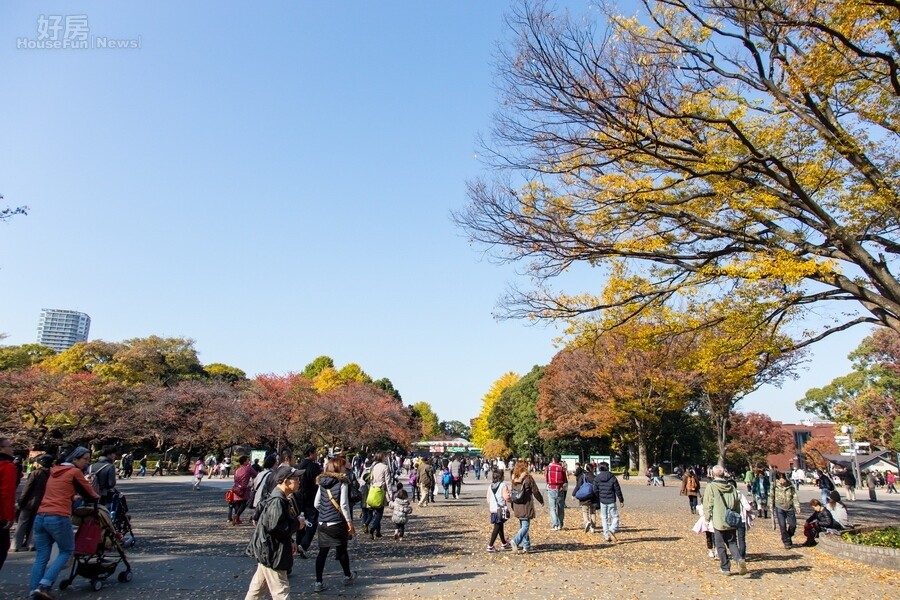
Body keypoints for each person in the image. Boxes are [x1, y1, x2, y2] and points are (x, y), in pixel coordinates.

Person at [29, 446, 101, 599]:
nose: (87, 463)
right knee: (67, 551)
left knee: (41, 556)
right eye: (85, 459)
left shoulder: (54, 471)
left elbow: (58, 492)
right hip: (58, 516)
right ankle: (44, 585)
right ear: (74, 459)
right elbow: (91, 494)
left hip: (41, 515)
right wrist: (91, 496)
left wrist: (72, 497)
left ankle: (33, 590)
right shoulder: (74, 472)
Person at [244, 465, 304, 600]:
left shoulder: (280, 498)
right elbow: (275, 527)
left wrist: (291, 539)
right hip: (272, 551)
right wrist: (297, 524)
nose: (299, 482)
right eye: (296, 479)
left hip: (267, 549)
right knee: (281, 592)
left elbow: (275, 525)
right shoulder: (278, 500)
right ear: (286, 481)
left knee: (256, 590)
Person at [312, 456, 357, 593]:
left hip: (322, 522)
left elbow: (316, 503)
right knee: (342, 549)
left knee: (322, 552)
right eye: (343, 466)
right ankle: (347, 575)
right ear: (338, 467)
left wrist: (324, 512)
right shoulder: (342, 482)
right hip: (337, 522)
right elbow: (343, 504)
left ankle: (318, 582)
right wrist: (349, 521)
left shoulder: (322, 482)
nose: (345, 468)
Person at [702, 465, 746, 576]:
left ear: (713, 474)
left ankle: (725, 567)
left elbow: (707, 504)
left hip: (719, 519)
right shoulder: (731, 487)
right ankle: (739, 559)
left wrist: (706, 519)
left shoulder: (711, 487)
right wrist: (735, 515)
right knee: (732, 542)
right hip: (731, 519)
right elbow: (736, 502)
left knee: (720, 544)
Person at [14, 454, 54, 553]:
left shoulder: (36, 473)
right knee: (35, 525)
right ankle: (31, 544)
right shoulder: (53, 474)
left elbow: (27, 489)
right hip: (43, 502)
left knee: (22, 523)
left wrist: (21, 502)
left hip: (30, 502)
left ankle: (16, 545)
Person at [510, 459, 544, 553]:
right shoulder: (528, 478)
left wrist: (512, 505)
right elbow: (535, 491)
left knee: (523, 526)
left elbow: (512, 493)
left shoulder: (514, 479)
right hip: (525, 505)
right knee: (525, 526)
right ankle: (515, 540)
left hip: (517, 505)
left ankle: (526, 545)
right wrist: (541, 500)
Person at [296, 445, 323, 559]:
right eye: (315, 452)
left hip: (299, 497)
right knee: (312, 521)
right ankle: (304, 544)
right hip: (311, 497)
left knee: (300, 521)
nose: (316, 455)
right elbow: (318, 482)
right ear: (311, 453)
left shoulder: (300, 465)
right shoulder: (314, 466)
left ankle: (298, 543)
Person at [593, 462, 624, 544]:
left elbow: (595, 490)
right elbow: (617, 489)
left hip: (602, 500)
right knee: (615, 516)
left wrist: (598, 497)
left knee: (604, 517)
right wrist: (621, 500)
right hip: (611, 499)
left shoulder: (597, 478)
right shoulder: (612, 477)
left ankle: (606, 535)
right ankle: (612, 529)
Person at [769, 472, 801, 549]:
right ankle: (787, 542)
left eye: (784, 480)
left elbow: (794, 496)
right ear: (778, 479)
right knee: (782, 526)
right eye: (781, 480)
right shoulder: (774, 485)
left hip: (789, 507)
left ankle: (788, 536)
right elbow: (771, 496)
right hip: (779, 507)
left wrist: (797, 506)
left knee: (793, 525)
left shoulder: (790, 485)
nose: (783, 482)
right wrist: (771, 506)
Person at [486, 468, 512, 552]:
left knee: (500, 526)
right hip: (500, 509)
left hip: (493, 508)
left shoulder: (490, 486)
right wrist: (510, 500)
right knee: (497, 527)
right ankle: (490, 546)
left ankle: (504, 543)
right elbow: (506, 497)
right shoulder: (502, 485)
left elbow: (488, 499)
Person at [0, 438, 16, 571]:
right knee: (2, 546)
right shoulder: (7, 466)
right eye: (10, 446)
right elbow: (7, 493)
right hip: (1, 514)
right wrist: (10, 516)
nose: (12, 449)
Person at [366, 452, 391, 539]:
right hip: (380, 490)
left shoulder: (373, 466)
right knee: (379, 513)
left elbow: (370, 479)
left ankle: (378, 532)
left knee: (375, 512)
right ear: (382, 457)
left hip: (372, 489)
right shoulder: (385, 467)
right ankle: (373, 528)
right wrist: (390, 496)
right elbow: (388, 482)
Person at [228, 456, 255, 525]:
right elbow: (255, 474)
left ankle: (237, 518)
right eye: (248, 460)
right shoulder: (248, 468)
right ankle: (236, 516)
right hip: (244, 488)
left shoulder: (237, 469)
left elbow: (235, 479)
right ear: (245, 461)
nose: (249, 461)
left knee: (237, 503)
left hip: (236, 488)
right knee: (244, 503)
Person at [545, 454, 567, 531]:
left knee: (552, 508)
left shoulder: (548, 467)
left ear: (553, 459)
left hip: (551, 488)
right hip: (560, 488)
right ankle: (560, 523)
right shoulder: (562, 468)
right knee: (560, 507)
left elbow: (546, 478)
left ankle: (555, 524)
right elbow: (564, 480)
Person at [575, 463, 597, 532]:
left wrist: (574, 494)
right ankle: (593, 527)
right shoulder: (595, 477)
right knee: (593, 512)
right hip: (593, 496)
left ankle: (587, 521)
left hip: (584, 496)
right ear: (593, 469)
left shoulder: (583, 476)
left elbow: (578, 486)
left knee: (585, 511)